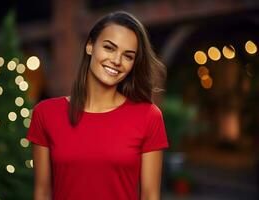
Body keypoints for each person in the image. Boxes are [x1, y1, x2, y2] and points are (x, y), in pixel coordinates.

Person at [26, 11, 169, 200]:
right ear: (90, 46)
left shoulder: (149, 116)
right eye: (109, 48)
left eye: (128, 56)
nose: (117, 61)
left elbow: (150, 195)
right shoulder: (45, 113)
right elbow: (42, 192)